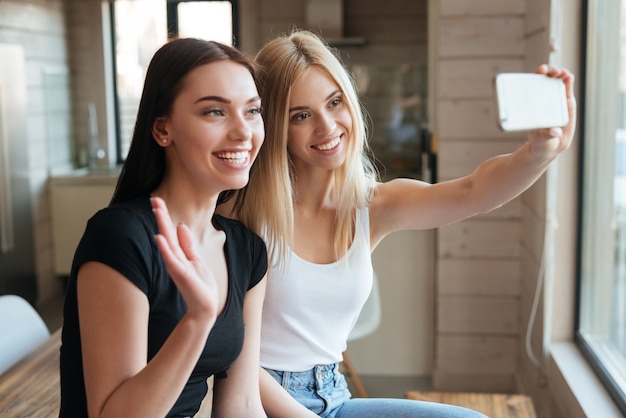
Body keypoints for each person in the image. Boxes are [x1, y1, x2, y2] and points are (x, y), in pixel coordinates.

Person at [223, 30, 576, 418]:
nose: (327, 126)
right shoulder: (242, 212)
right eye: (301, 115)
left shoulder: (371, 205)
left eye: (335, 102)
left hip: (335, 396)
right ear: (275, 127)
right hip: (261, 402)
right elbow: (228, 349)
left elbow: (473, 192)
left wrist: (539, 151)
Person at [59, 37, 269, 418]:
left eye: (252, 111)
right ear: (162, 130)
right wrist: (197, 320)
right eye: (214, 112)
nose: (243, 131)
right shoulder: (120, 237)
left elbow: (241, 403)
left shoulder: (246, 250)